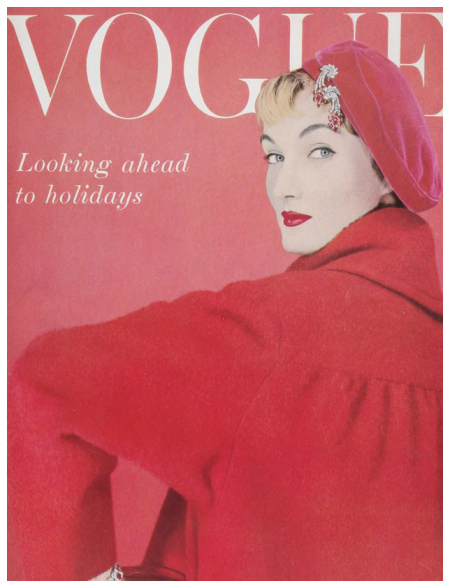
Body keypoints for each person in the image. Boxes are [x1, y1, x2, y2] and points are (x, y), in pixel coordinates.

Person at [8, 40, 442, 581]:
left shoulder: (266, 332)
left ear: (386, 171)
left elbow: (44, 379)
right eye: (273, 156)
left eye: (320, 151)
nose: (283, 187)